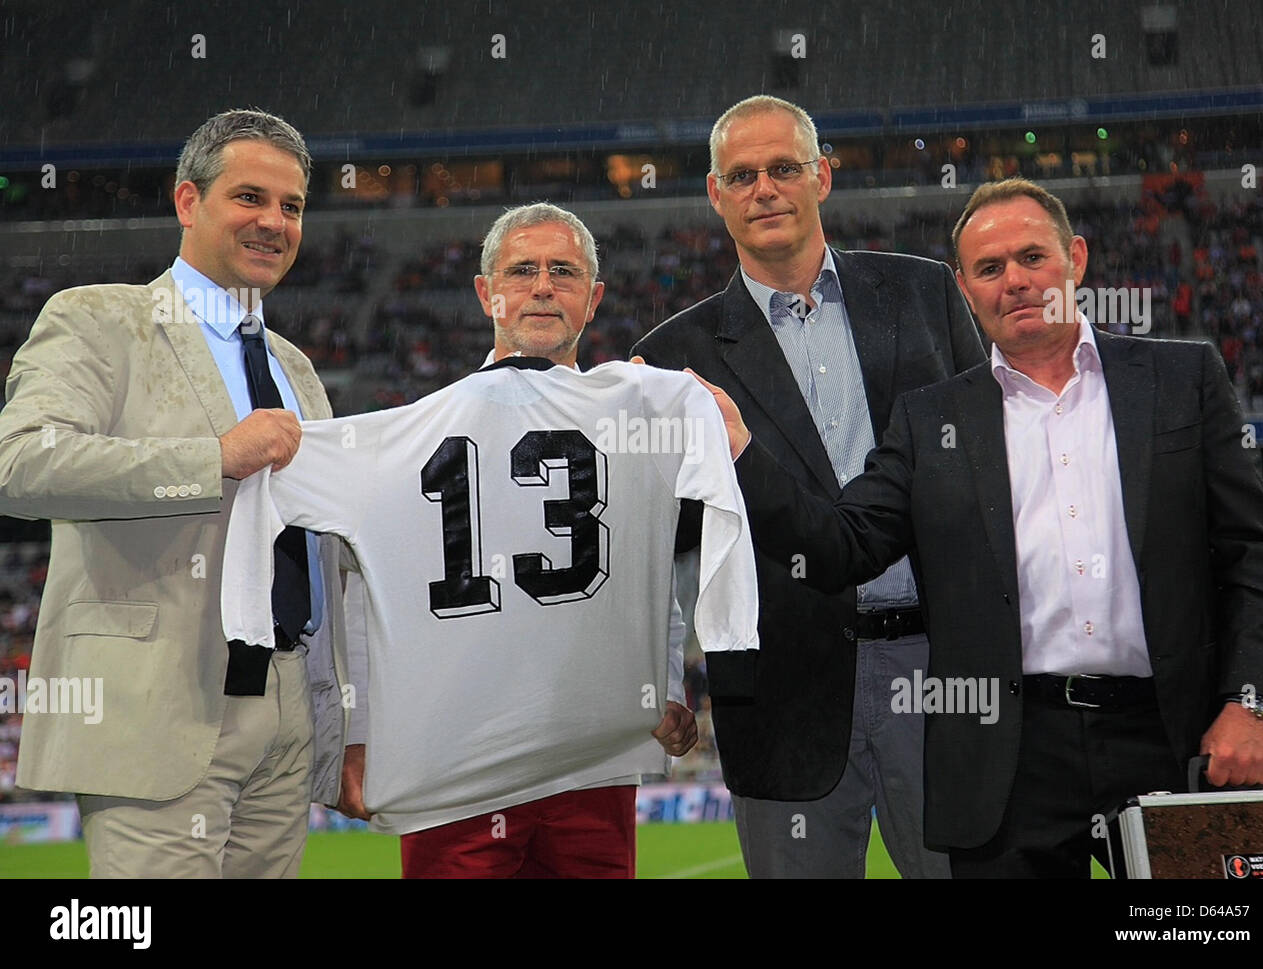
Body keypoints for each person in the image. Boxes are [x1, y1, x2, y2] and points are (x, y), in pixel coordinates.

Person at [706, 176, 1263, 877]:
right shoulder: (931, 421)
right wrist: (740, 446)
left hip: (1175, 732)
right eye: (989, 268)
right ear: (965, 287)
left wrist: (1252, 701)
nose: (1014, 280)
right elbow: (841, 545)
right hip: (1011, 759)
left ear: (1075, 258)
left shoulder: (1182, 376)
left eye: (1032, 257)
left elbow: (1255, 555)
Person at [325, 203, 746, 878]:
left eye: (564, 271)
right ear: (485, 291)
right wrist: (358, 730)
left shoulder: (635, 422)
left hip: (590, 759)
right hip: (455, 760)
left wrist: (665, 684)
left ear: (595, 296)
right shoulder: (408, 435)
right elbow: (365, 594)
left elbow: (644, 575)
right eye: (522, 270)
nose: (543, 286)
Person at [632, 95, 985, 878]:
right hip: (781, 695)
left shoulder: (926, 296)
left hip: (939, 671)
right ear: (716, 195)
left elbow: (989, 481)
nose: (766, 188)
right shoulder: (670, 356)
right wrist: (655, 677)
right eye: (743, 174)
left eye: (784, 168)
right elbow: (662, 544)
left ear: (822, 176)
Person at [0, 109, 354, 877]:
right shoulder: (97, 319)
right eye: (249, 197)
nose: (274, 222)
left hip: (285, 708)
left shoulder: (296, 367)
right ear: (188, 202)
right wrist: (213, 459)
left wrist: (343, 719)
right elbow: (22, 462)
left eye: (291, 206)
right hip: (158, 709)